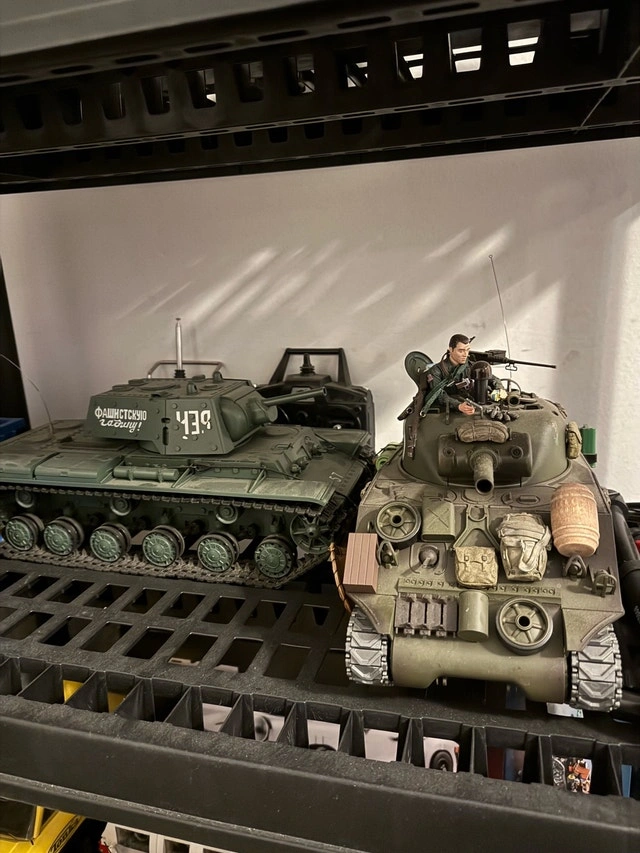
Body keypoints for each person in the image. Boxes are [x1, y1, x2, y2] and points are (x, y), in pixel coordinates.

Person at [425, 333, 504, 416]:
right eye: (461, 351)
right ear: (451, 350)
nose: (465, 354)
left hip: (471, 404)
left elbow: (494, 379)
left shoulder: (471, 366)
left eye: (467, 350)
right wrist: (458, 406)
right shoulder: (436, 370)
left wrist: (499, 389)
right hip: (448, 411)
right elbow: (438, 395)